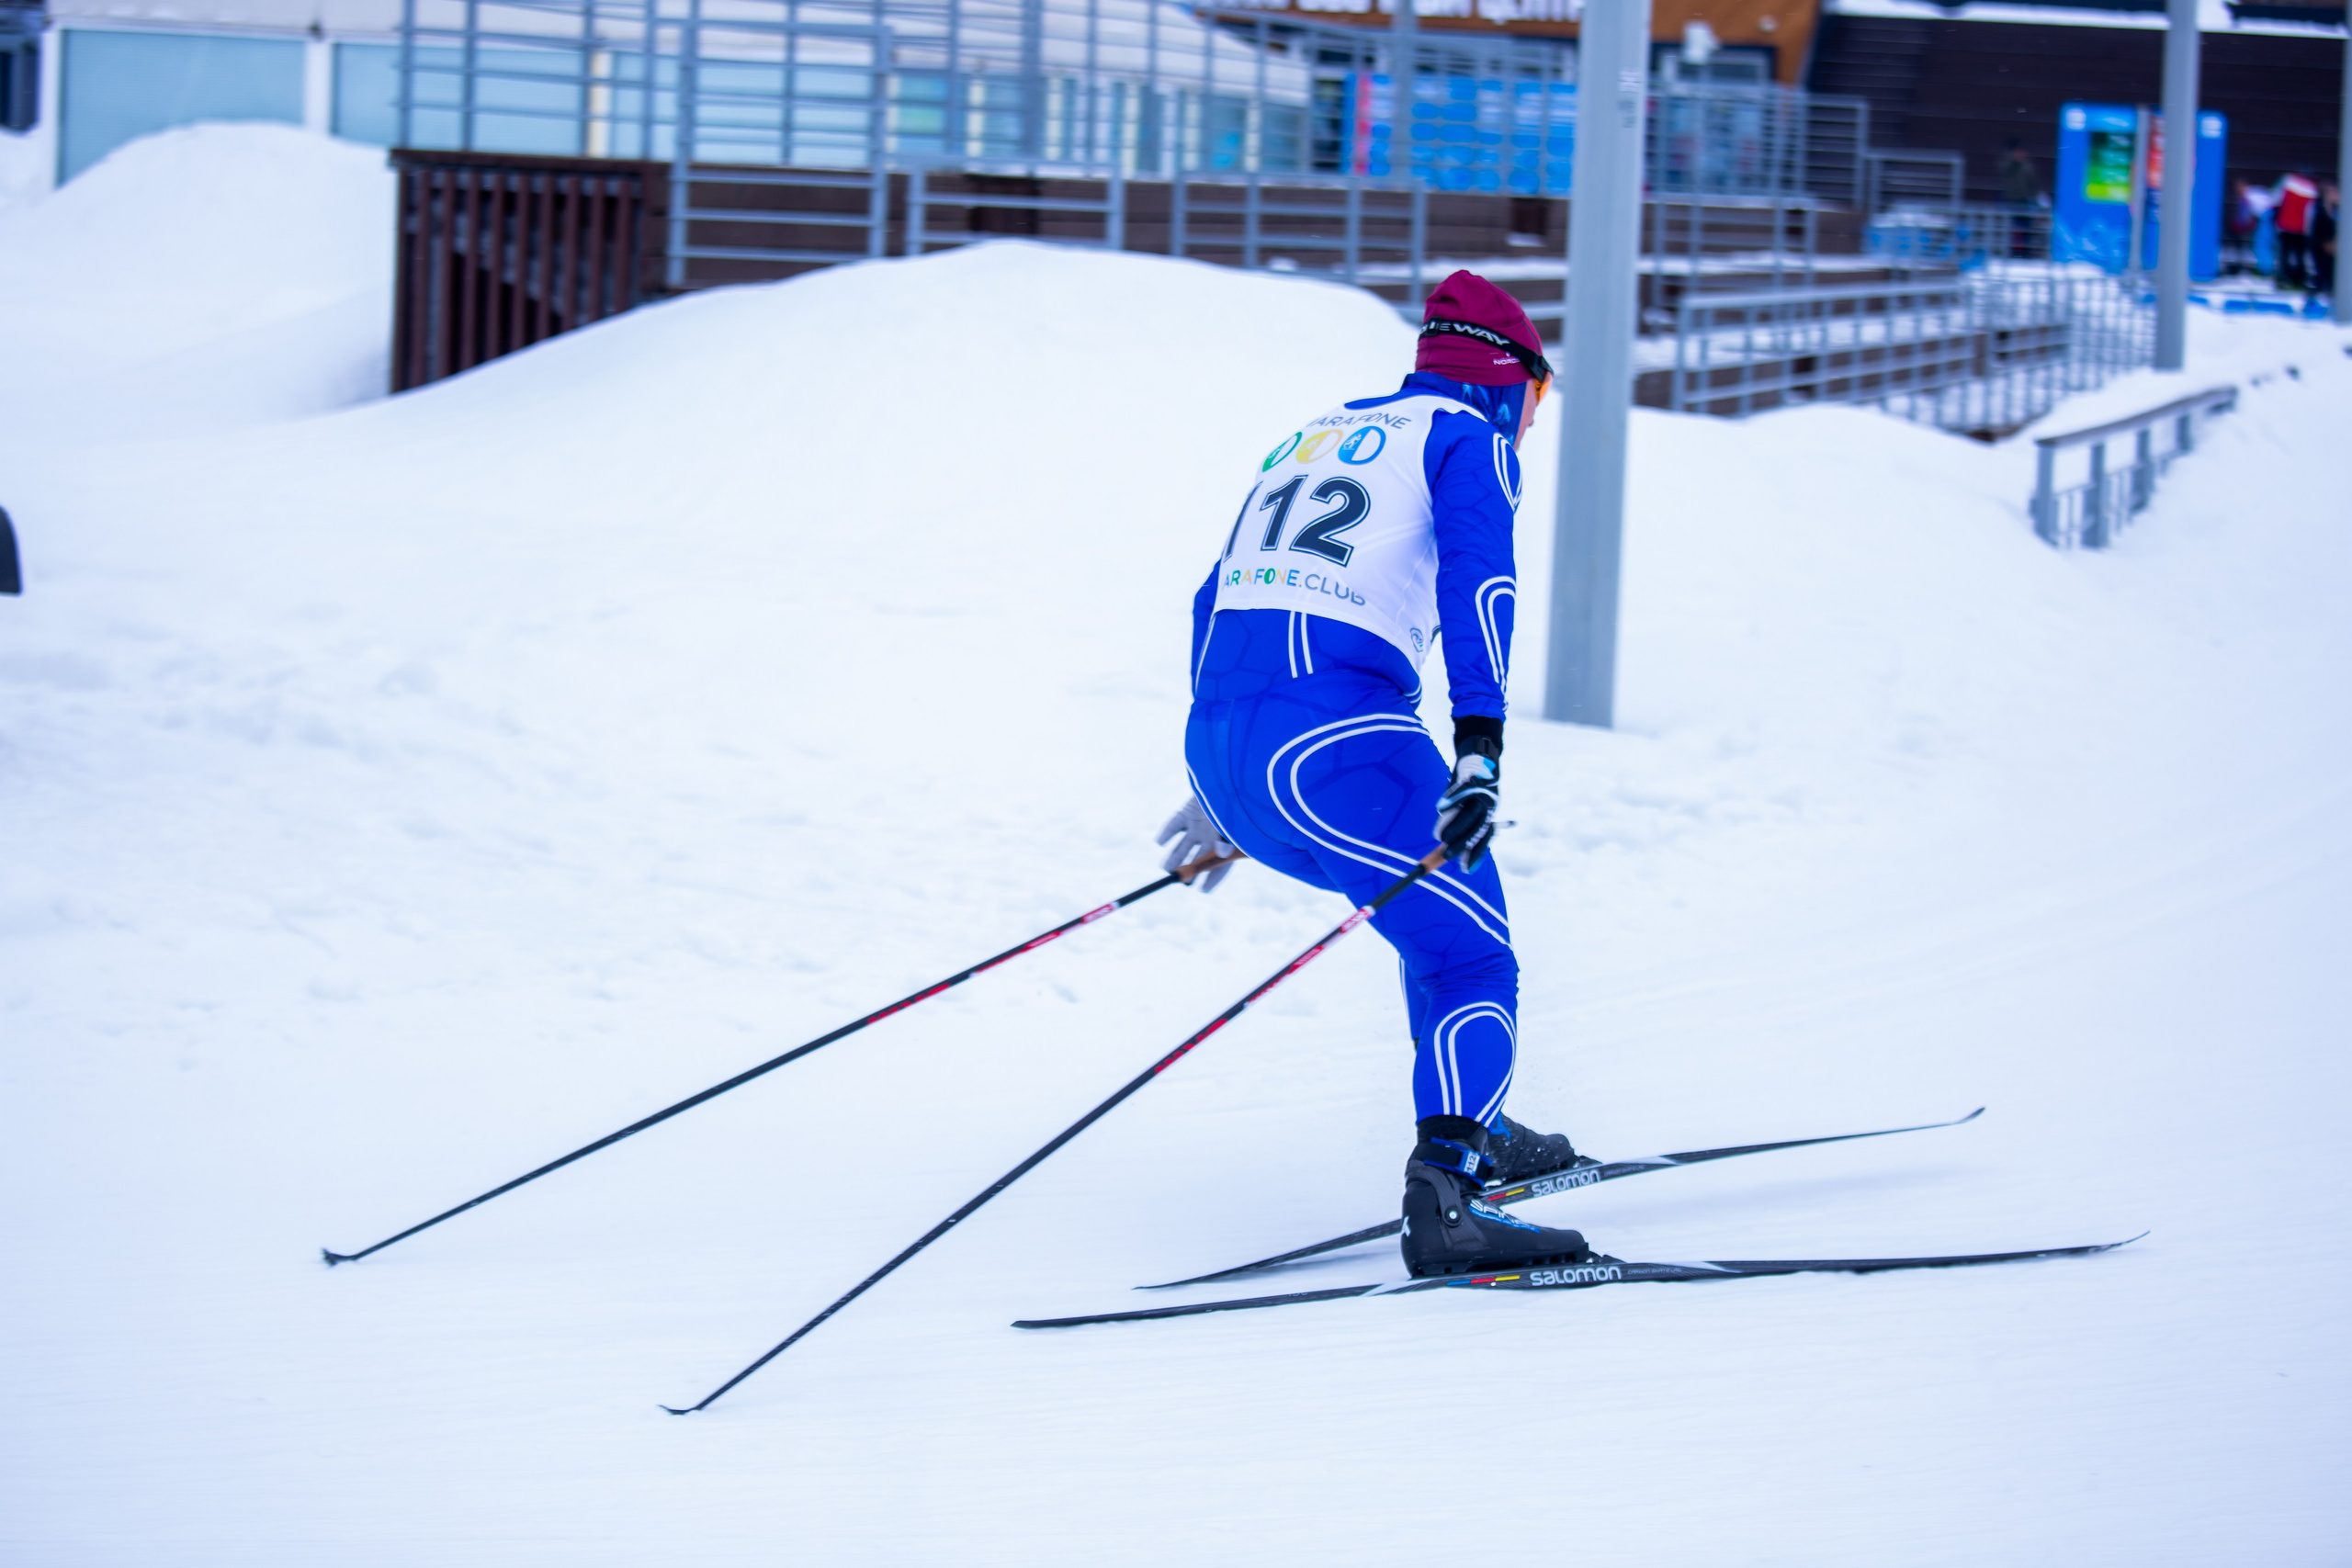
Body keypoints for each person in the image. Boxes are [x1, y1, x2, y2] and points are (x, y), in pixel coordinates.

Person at [1153, 270, 1596, 1279]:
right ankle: (1449, 1199)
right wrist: (1479, 747)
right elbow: (1480, 584)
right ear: (1507, 379)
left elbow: (1207, 597)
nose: (1532, 424)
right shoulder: (1467, 438)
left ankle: (1471, 1114)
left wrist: (1222, 788)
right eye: (1539, 399)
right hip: (1336, 743)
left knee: (1429, 925)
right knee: (1470, 957)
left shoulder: (1317, 432)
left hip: (1229, 744)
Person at [2275, 172, 2319, 291]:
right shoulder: (2312, 190)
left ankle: (2284, 278)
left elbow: (2277, 200)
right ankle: (2299, 279)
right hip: (2301, 229)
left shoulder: (2287, 182)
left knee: (2284, 254)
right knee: (2300, 255)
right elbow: (2310, 212)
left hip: (2286, 226)